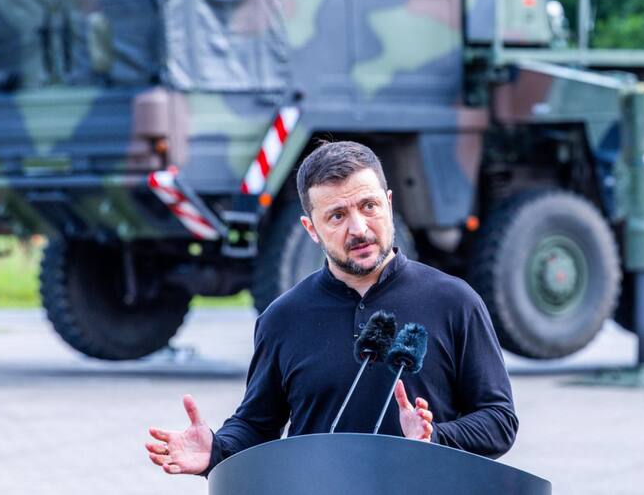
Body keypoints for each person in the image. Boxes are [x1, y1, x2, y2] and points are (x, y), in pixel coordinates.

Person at [146, 141, 518, 476]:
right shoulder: (283, 318)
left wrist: (435, 436)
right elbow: (258, 424)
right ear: (311, 228)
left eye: (369, 206)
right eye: (337, 216)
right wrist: (216, 449)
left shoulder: (454, 302)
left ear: (388, 204)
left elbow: (499, 421)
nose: (359, 228)